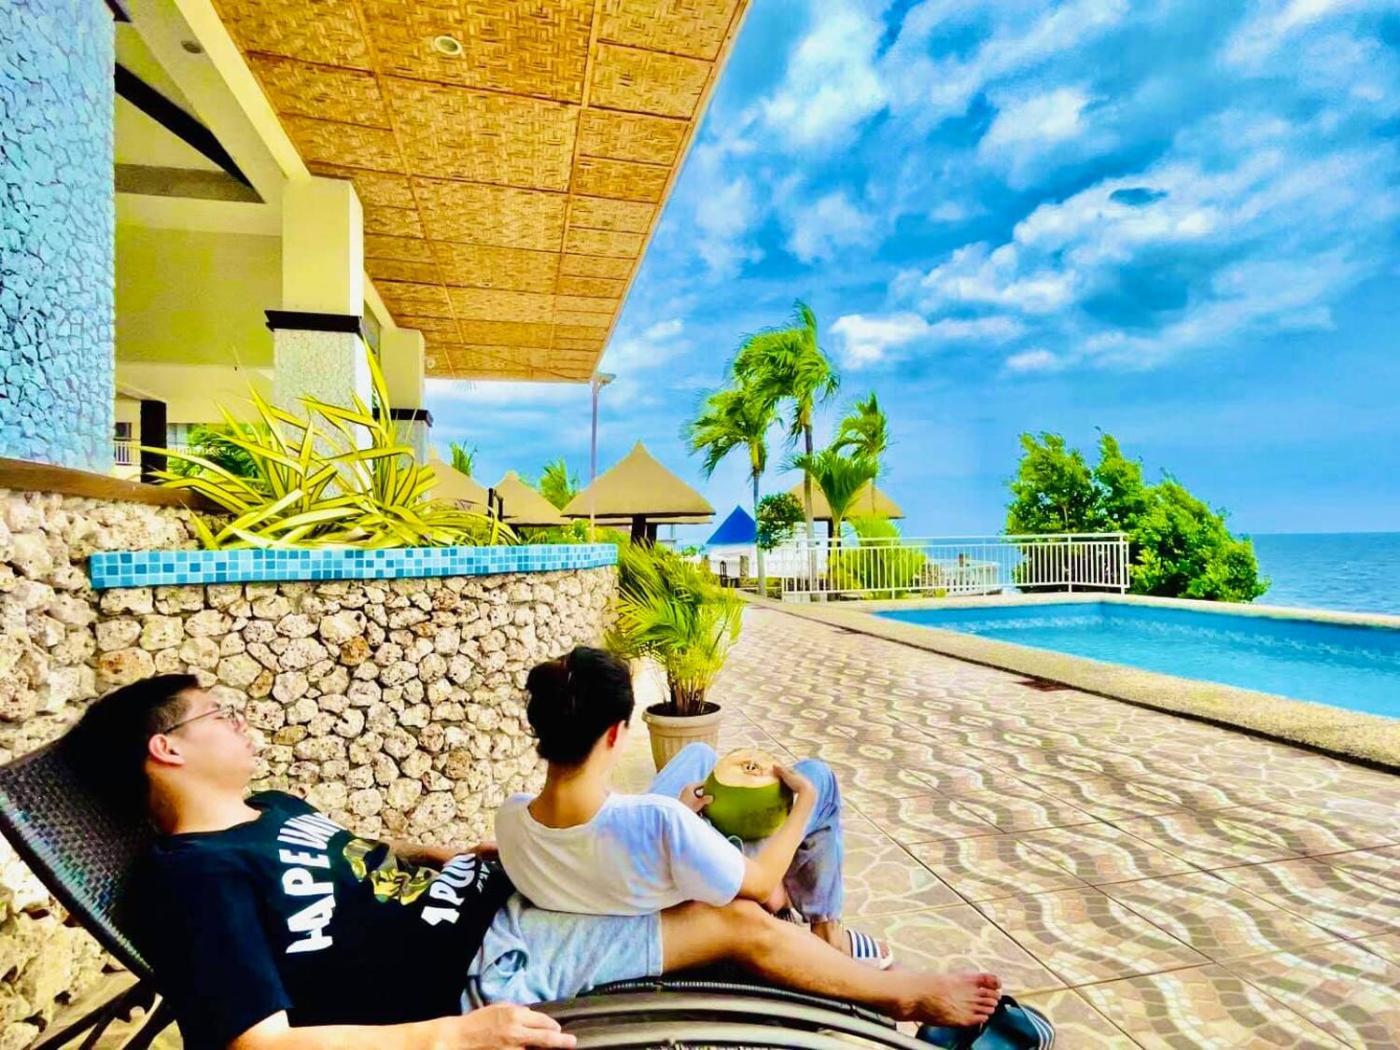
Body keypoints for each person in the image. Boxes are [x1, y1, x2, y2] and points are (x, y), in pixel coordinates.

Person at [64, 674, 1003, 1050]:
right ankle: (905, 997)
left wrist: (456, 850)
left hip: (496, 892)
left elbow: (366, 863)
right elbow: (256, 1045)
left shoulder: (268, 809)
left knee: (679, 801)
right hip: (486, 964)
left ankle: (816, 944)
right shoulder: (192, 879)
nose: (238, 718)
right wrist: (451, 1037)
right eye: (215, 714)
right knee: (732, 917)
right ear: (167, 750)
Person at [495, 646, 890, 965]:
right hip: (681, 898)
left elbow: (595, 835)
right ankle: (827, 932)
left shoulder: (511, 818)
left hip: (625, 872)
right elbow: (759, 881)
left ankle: (790, 900)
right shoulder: (658, 819)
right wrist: (806, 802)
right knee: (818, 776)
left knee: (698, 756)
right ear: (615, 734)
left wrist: (682, 814)